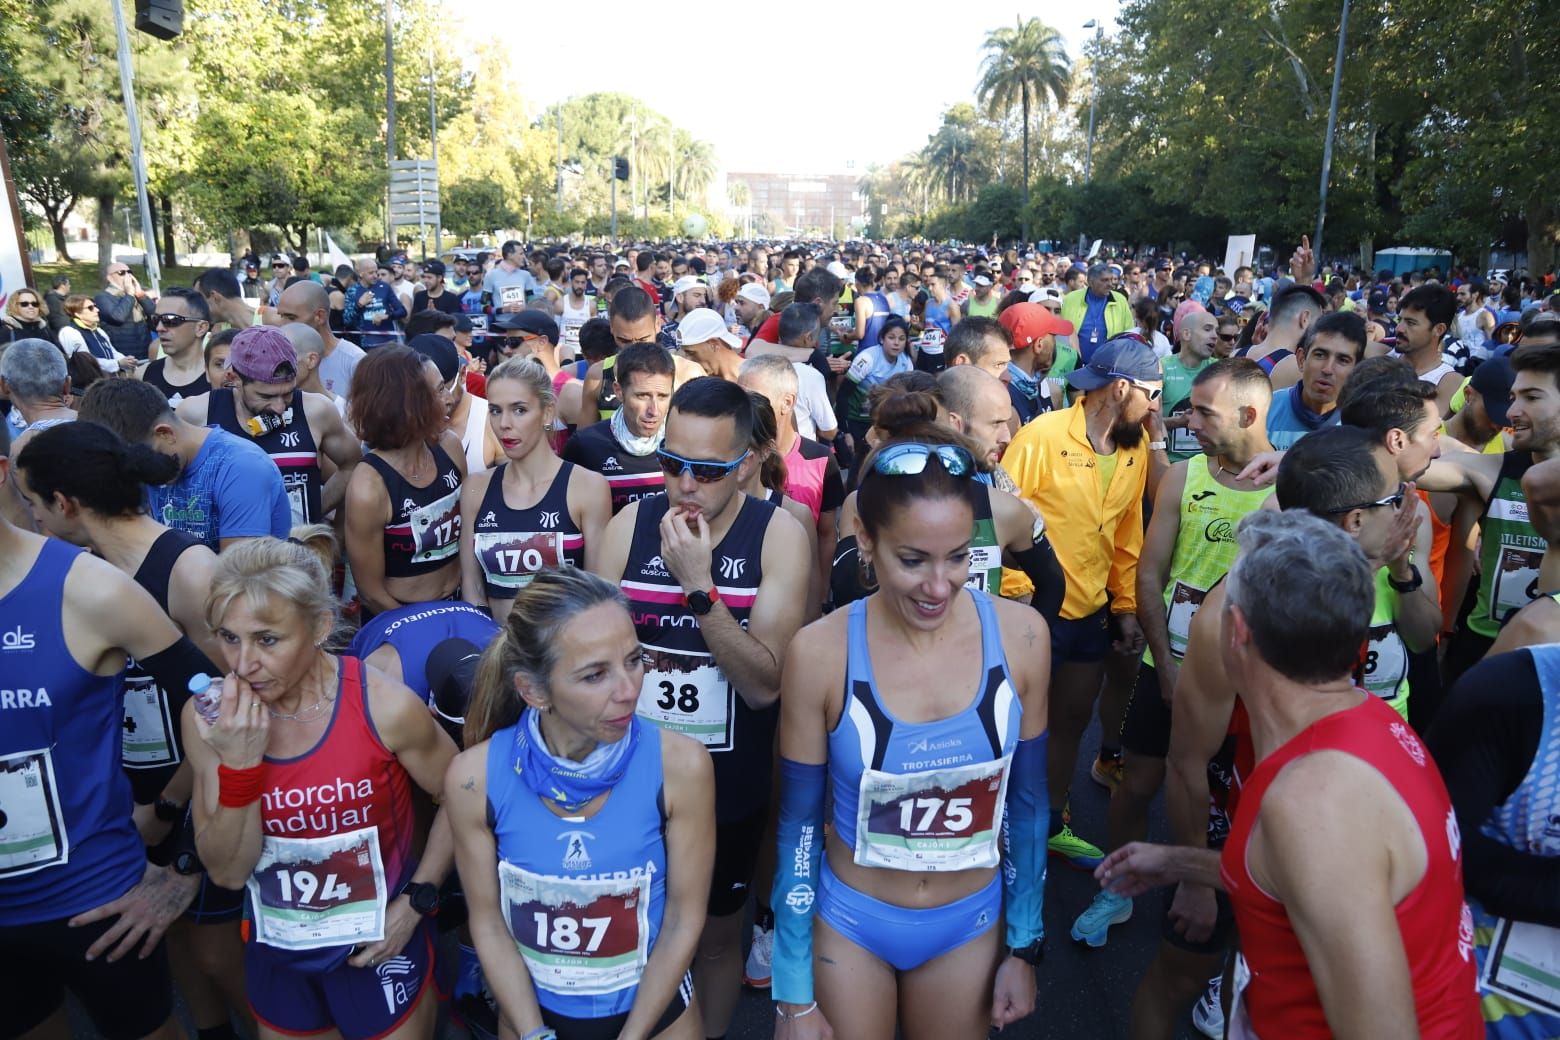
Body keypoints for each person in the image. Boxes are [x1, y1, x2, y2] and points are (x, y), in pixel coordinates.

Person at [1099, 509, 1482, 1040]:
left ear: (1236, 631)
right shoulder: (1369, 723)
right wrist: (1183, 862)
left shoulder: (1315, 800)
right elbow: (1315, 882)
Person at [770, 434, 1050, 1039]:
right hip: (853, 919)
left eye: (957, 556)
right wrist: (792, 993)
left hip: (968, 923)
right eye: (913, 559)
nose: (939, 585)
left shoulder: (1023, 637)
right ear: (867, 541)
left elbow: (1028, 804)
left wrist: (1025, 947)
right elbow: (796, 826)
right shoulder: (819, 652)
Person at [12, 421, 252, 1036]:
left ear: (61, 504)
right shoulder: (89, 566)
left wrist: (175, 817)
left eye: (34, 503)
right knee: (186, 952)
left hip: (170, 821)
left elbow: (228, 705)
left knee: (215, 951)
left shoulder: (146, 578)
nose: (33, 517)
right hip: (137, 811)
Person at [592, 378, 811, 1040]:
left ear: (745, 462)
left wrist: (698, 588)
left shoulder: (778, 535)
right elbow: (588, 657)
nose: (685, 484)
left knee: (714, 942)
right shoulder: (628, 526)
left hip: (726, 786)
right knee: (626, 934)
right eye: (671, 462)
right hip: (628, 779)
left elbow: (765, 685)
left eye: (708, 470)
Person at [183, 536, 459, 1040]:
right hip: (280, 950)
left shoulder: (384, 706)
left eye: (267, 639)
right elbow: (225, 871)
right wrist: (241, 764)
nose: (242, 665)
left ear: (319, 627)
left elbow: (462, 796)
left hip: (378, 950)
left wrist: (418, 901)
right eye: (228, 637)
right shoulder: (210, 720)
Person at [446, 568, 713, 1039]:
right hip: (534, 1021)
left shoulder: (682, 766)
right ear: (533, 691)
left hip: (656, 1022)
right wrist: (532, 1033)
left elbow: (682, 920)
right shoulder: (473, 778)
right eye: (595, 675)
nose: (629, 690)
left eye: (634, 660)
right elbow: (486, 922)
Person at [1069, 360, 1277, 955]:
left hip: (1246, 686)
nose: (1189, 421)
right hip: (1172, 669)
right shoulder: (1186, 477)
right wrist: (1165, 665)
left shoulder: (1291, 488)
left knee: (1236, 803)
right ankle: (1120, 887)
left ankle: (1228, 901)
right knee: (1137, 784)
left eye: (1204, 412)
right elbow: (1151, 574)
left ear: (1248, 415)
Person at [1001, 336, 1163, 869]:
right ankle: (1002, 826)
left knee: (1070, 721)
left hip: (1091, 613)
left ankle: (1049, 822)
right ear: (1121, 388)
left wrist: (1123, 605)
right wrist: (1022, 599)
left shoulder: (1135, 447)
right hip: (1030, 613)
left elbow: (1126, 532)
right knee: (1018, 724)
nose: (1158, 405)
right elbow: (999, 519)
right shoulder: (1040, 436)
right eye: (1153, 393)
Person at [460, 356, 611, 619]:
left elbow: (597, 591)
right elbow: (472, 586)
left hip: (566, 651)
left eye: (519, 410)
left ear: (548, 412)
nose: (504, 423)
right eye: (495, 410)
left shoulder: (588, 487)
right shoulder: (476, 488)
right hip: (496, 649)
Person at [178, 326, 361, 526]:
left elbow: (352, 465)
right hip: (230, 553)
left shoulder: (317, 410)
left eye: (288, 393)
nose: (279, 407)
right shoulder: (195, 413)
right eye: (266, 396)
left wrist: (313, 512)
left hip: (298, 551)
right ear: (234, 378)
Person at [77, 378, 291, 549]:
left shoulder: (241, 466)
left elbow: (238, 582)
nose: (140, 475)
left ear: (165, 434)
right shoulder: (153, 458)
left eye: (140, 463)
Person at [345, 345, 467, 617]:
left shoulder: (449, 446)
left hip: (458, 606)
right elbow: (370, 592)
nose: (450, 398)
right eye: (438, 390)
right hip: (399, 617)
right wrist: (420, 628)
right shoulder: (369, 485)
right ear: (406, 404)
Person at [563, 342, 676, 514]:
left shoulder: (685, 445)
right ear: (619, 391)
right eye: (642, 396)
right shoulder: (585, 445)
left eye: (662, 396)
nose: (654, 410)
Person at [1264, 310, 1363, 449]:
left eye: (1342, 360)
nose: (1328, 369)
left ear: (1356, 370)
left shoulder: (1362, 427)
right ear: (1301, 359)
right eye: (1320, 355)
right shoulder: (1265, 411)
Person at [409, 334, 502, 473]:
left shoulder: (492, 421)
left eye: (441, 388)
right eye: (420, 395)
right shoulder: (403, 423)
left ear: (463, 374)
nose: (430, 402)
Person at [275, 280, 365, 402]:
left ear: (320, 316)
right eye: (281, 316)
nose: (282, 325)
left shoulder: (355, 362)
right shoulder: (277, 357)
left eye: (291, 317)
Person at [998, 302, 1075, 424]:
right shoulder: (1004, 401)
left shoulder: (1040, 387)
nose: (1055, 343)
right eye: (1053, 336)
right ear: (1039, 345)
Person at [1160, 304, 1218, 463]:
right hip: (1169, 465)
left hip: (1207, 469)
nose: (1214, 336)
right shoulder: (1162, 368)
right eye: (1207, 329)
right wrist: (1178, 422)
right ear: (1186, 334)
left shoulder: (1220, 370)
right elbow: (1144, 422)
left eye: (1216, 331)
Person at [1394, 284, 1462, 415]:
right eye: (1399, 320)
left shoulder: (1449, 383)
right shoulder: (1380, 357)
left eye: (1411, 323)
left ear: (1438, 329)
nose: (1399, 328)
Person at [141, 288, 213, 405]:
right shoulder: (143, 374)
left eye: (170, 320)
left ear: (200, 328)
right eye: (156, 319)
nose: (159, 328)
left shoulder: (220, 377)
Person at [1245, 283, 1325, 385]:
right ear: (1304, 318)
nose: (1317, 329)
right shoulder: (1298, 368)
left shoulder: (1236, 353)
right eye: (1317, 321)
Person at [1060, 262, 1134, 363]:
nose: (1110, 284)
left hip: (1108, 364)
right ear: (1090, 282)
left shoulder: (1120, 300)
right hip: (1073, 363)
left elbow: (1129, 333)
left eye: (1111, 280)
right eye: (1104, 280)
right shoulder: (1071, 299)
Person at [58, 294, 137, 375]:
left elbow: (113, 352)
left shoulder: (99, 331)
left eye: (95, 306)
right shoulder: (69, 332)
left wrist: (127, 360)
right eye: (90, 308)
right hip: (88, 384)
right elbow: (85, 361)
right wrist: (117, 363)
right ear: (77, 314)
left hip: (107, 380)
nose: (97, 310)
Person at [343, 258, 408, 349]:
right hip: (365, 343)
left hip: (388, 342)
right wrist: (359, 305)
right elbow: (347, 321)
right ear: (361, 274)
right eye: (371, 273)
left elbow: (402, 311)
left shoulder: (384, 287)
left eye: (376, 272)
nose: (375, 276)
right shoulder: (352, 291)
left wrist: (387, 316)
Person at [95, 261, 154, 361]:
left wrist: (140, 294)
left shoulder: (137, 295)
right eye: (121, 272)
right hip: (123, 355)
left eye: (129, 272)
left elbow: (154, 313)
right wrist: (129, 295)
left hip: (145, 351)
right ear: (109, 278)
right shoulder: (102, 297)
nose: (127, 275)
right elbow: (118, 317)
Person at [193, 267, 262, 331]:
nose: (198, 308)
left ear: (215, 298)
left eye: (200, 301)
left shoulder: (269, 320)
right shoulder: (217, 333)